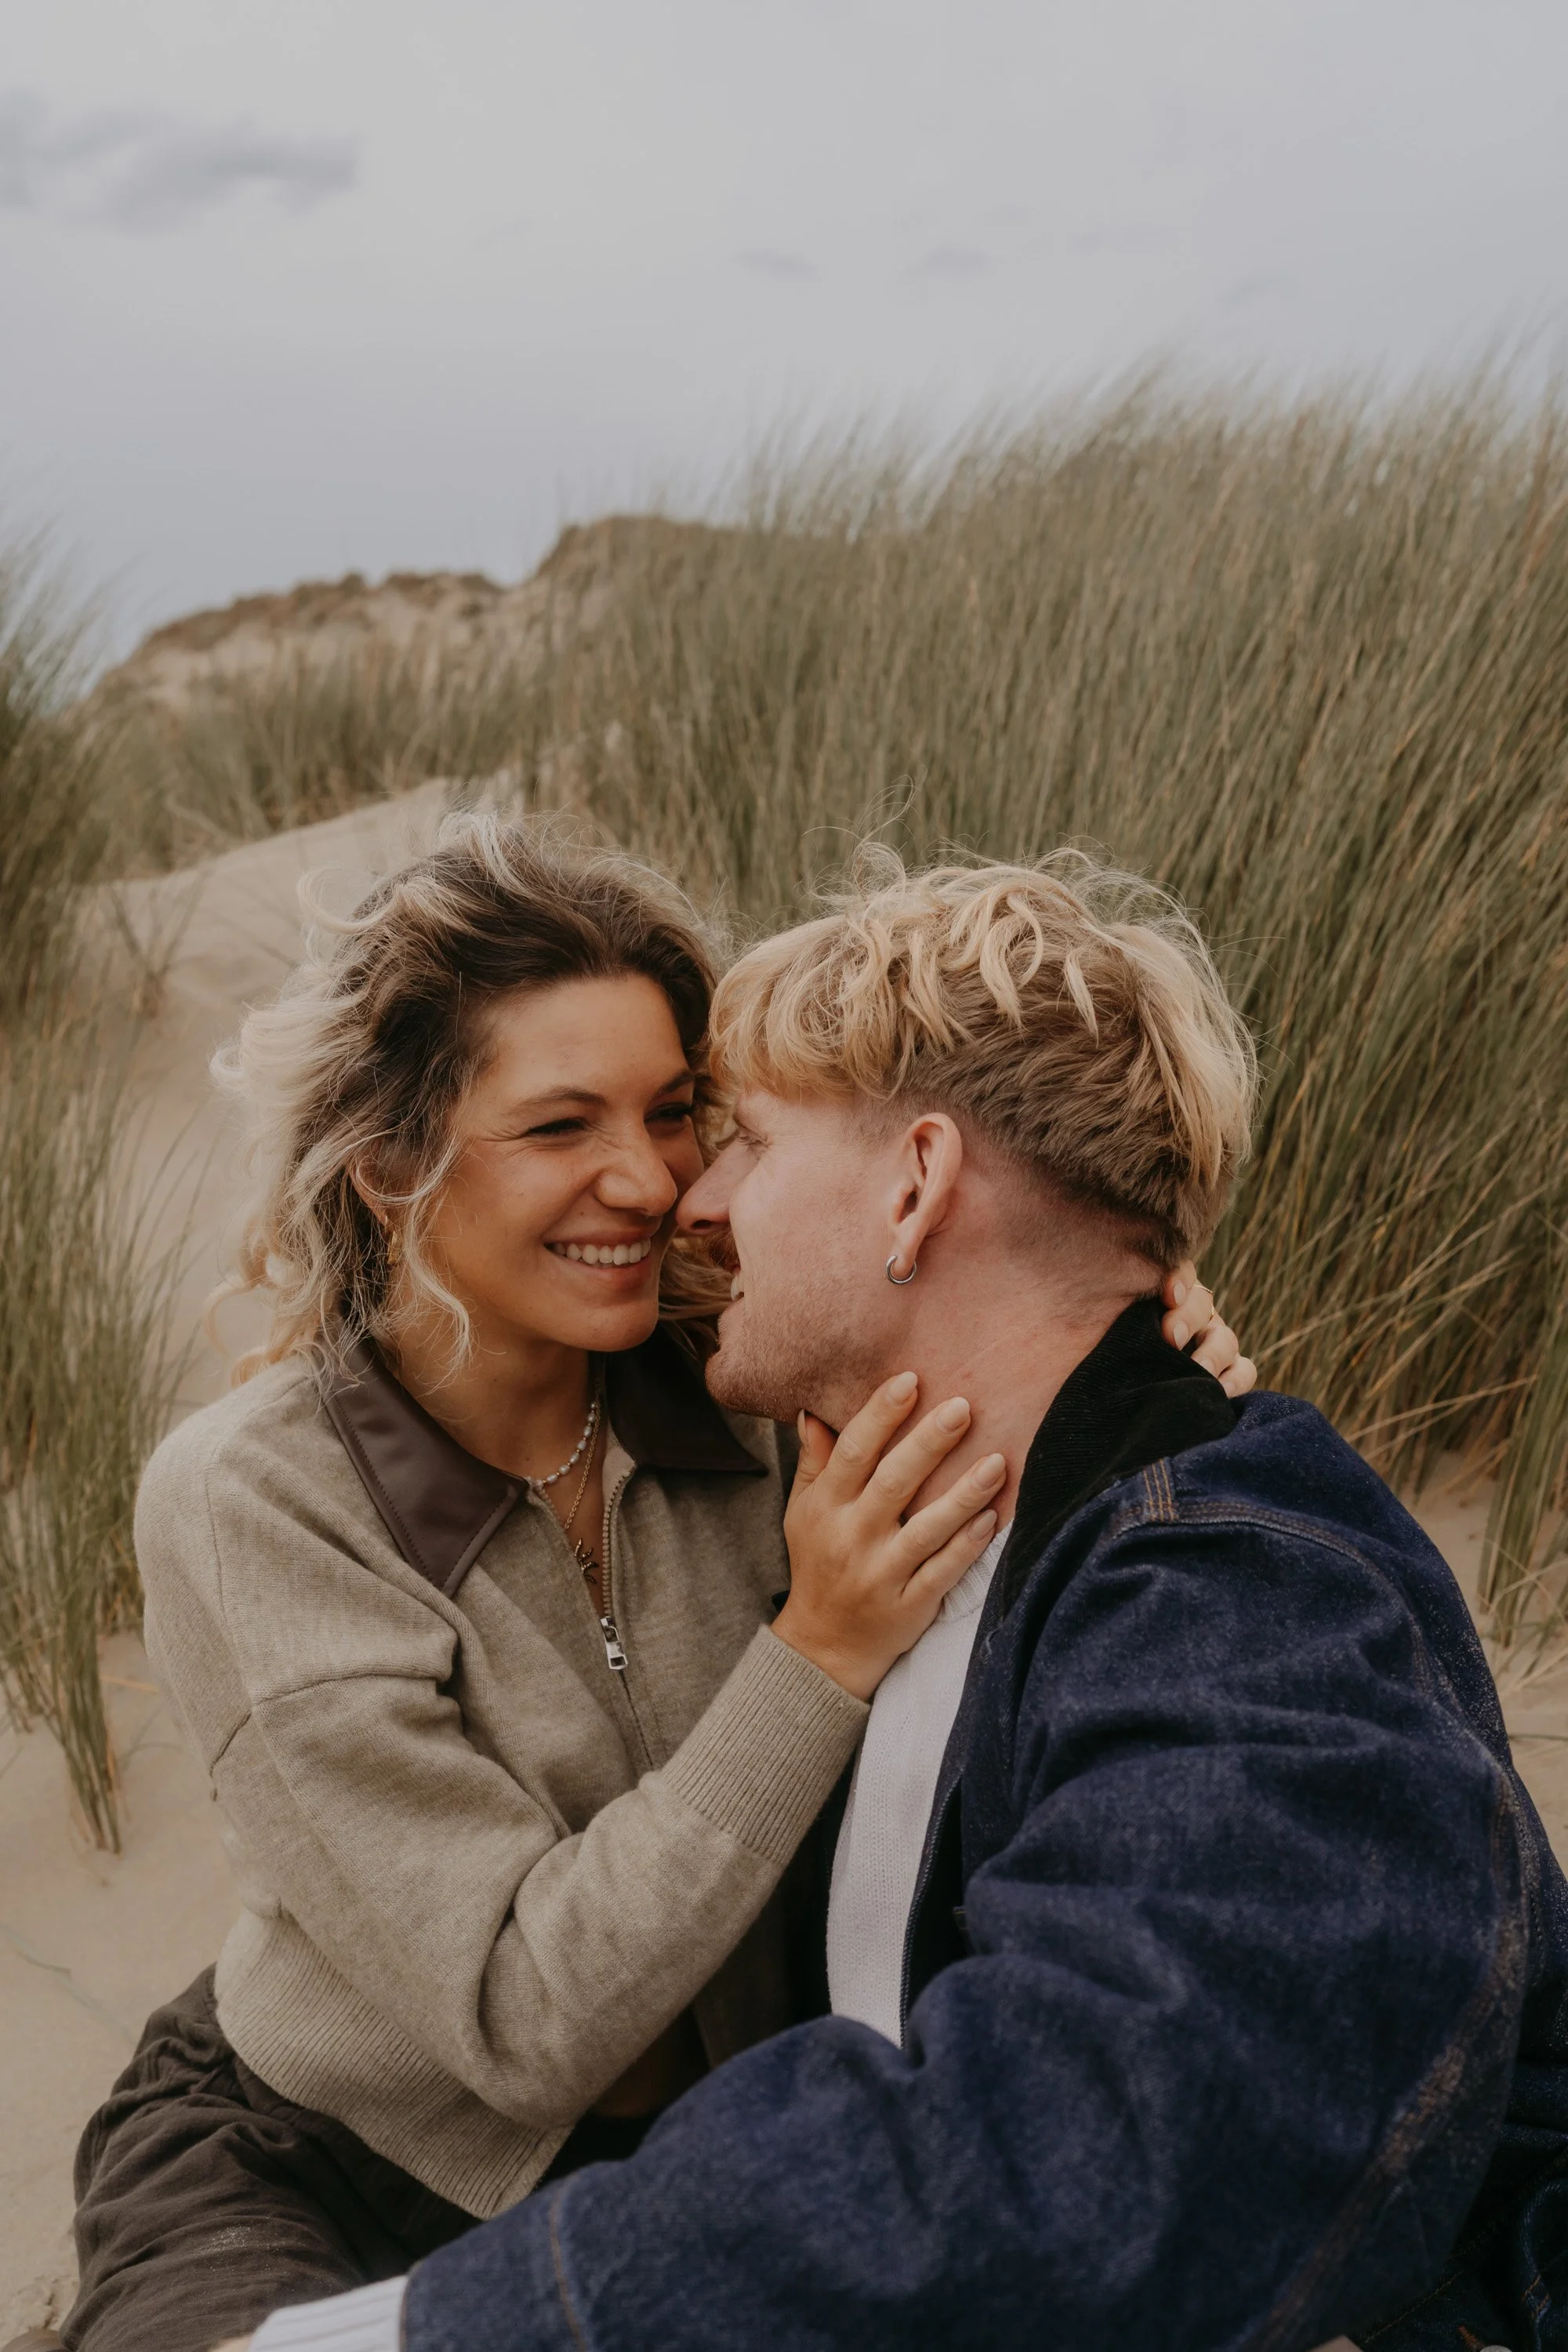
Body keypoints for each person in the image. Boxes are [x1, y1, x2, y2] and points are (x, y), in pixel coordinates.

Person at [240, 850, 1568, 2352]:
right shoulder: (879, 1502)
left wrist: (419, 2336)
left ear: (921, 1183)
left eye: (738, 1136)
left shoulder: (1237, 1584)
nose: (697, 1197)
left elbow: (1093, 2143)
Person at [40, 819, 1250, 2352]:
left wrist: (1140, 1308)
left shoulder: (761, 1375)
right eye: (558, 1127)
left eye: (676, 1111)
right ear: (393, 1158)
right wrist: (816, 1650)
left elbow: (1006, 1312)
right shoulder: (256, 1502)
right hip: (328, 2156)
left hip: (710, 2150)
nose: (648, 1179)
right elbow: (516, 2017)